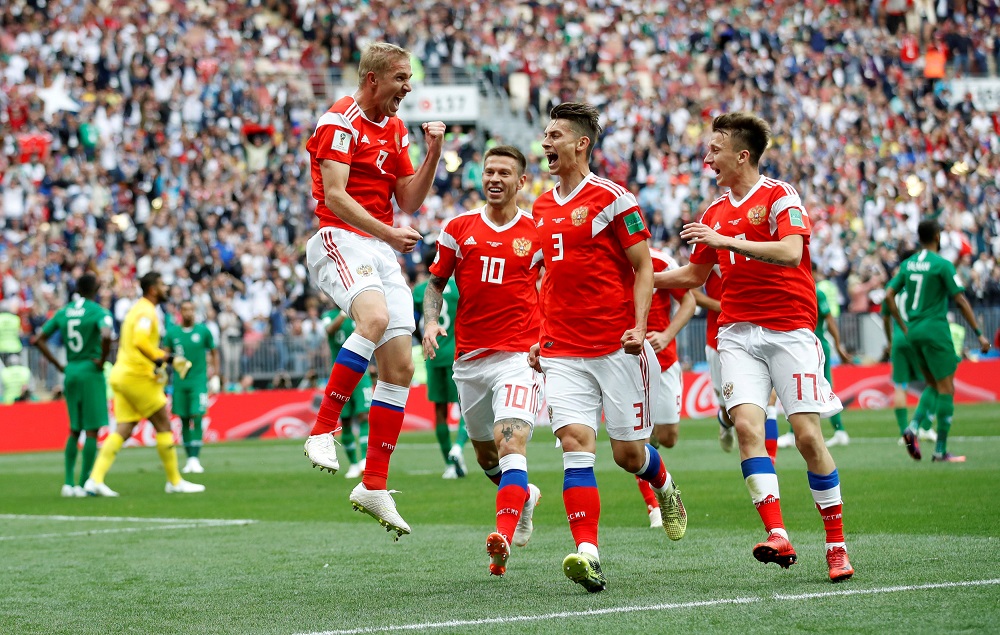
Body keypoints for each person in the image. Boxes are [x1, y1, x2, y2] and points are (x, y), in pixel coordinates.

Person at [654, 112, 852, 582]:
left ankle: (837, 545)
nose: (707, 158)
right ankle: (778, 534)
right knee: (747, 426)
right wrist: (637, 280)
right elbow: (693, 277)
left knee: (806, 438)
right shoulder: (712, 213)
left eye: (714, 150)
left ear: (742, 155)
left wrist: (726, 240)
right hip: (737, 331)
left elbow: (791, 252)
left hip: (790, 329)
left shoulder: (780, 195)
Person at [528, 102, 686, 593]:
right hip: (563, 349)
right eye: (545, 135)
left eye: (556, 135)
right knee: (576, 445)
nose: (546, 143)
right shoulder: (541, 204)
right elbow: (542, 276)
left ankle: (665, 487)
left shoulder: (615, 199)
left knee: (627, 455)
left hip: (617, 347)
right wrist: (538, 334)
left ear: (581, 144)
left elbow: (644, 268)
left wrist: (640, 325)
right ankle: (587, 554)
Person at [303, 41, 445, 539]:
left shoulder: (396, 128)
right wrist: (386, 234)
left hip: (380, 248)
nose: (408, 88)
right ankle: (323, 428)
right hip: (339, 238)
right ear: (373, 80)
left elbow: (407, 197)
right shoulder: (338, 121)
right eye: (402, 79)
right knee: (375, 319)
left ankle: (373, 483)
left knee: (401, 367)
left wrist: (432, 153)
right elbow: (336, 197)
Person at [422, 145, 543, 577]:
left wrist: (547, 337)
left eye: (504, 173)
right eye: (489, 171)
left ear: (520, 182)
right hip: (469, 359)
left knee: (510, 443)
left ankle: (502, 539)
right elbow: (435, 284)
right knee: (486, 458)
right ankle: (525, 497)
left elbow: (553, 288)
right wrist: (431, 322)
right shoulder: (458, 228)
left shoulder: (538, 231)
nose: (494, 178)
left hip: (518, 356)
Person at [84, 272, 205, 496]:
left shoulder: (138, 309)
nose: (166, 289)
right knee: (164, 426)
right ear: (152, 289)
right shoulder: (146, 311)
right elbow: (140, 340)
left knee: (125, 427)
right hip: (136, 376)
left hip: (122, 374)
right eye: (162, 285)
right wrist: (165, 359)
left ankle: (95, 479)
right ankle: (175, 481)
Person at [885, 219, 991, 462]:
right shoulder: (942, 265)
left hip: (914, 333)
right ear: (936, 236)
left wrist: (903, 325)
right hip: (935, 331)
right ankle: (940, 451)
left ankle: (912, 427)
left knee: (933, 385)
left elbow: (889, 294)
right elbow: (961, 300)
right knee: (946, 388)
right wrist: (979, 333)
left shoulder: (908, 264)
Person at [31, 273, 113, 497]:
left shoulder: (64, 311)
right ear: (95, 289)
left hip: (71, 370)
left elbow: (38, 339)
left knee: (75, 429)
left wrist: (59, 365)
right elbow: (106, 335)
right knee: (92, 430)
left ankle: (68, 483)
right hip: (90, 370)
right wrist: (103, 359)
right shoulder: (98, 311)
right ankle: (86, 482)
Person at [634, 249, 695, 528]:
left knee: (668, 437)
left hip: (664, 360)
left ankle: (652, 449)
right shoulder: (605, 260)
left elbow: (689, 302)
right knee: (636, 441)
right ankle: (654, 507)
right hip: (625, 363)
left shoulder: (660, 262)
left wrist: (667, 334)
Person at [776, 268, 852, 448]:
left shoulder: (814, 291)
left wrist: (839, 347)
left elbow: (830, 319)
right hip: (807, 345)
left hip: (811, 345)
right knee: (811, 387)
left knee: (803, 388)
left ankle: (795, 433)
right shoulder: (805, 289)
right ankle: (839, 430)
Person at [413, 269, 469, 479]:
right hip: (457, 352)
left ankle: (449, 464)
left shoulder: (421, 291)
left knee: (440, 411)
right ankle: (458, 447)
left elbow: (413, 322)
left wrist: (423, 340)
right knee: (465, 406)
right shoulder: (458, 287)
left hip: (434, 352)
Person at [880, 275, 938, 446]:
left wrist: (890, 341)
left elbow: (884, 317)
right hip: (917, 337)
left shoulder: (891, 289)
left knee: (900, 387)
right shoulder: (919, 287)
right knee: (934, 382)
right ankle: (924, 427)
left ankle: (904, 432)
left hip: (899, 339)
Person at [164, 300, 220, 474]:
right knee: (183, 419)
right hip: (179, 383)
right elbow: (165, 355)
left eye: (191, 309)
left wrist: (216, 375)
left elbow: (214, 352)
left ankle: (195, 458)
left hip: (198, 381)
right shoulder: (172, 333)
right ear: (180, 311)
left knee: (196, 417)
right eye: (185, 309)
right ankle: (189, 459)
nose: (188, 312)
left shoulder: (203, 331)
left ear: (195, 311)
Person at [320, 306, 373, 479]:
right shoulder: (328, 315)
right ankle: (353, 464)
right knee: (346, 420)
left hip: (360, 373)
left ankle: (365, 460)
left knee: (364, 415)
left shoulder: (358, 314)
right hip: (339, 375)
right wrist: (343, 313)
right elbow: (329, 330)